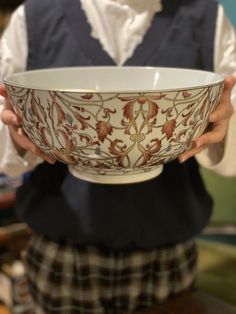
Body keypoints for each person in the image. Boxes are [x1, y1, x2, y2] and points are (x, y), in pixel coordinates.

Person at [0, 0, 236, 313]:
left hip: (167, 254)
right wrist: (17, 134)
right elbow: (5, 121)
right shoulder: (34, 17)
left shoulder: (206, 18)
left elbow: (229, 133)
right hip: (62, 254)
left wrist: (223, 123)